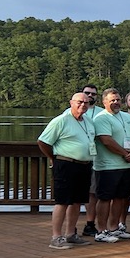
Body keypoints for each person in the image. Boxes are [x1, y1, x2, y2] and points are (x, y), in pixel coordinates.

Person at [38, 92, 96, 249]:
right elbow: (43, 141)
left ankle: (70, 234)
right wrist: (53, 157)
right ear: (71, 103)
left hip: (84, 165)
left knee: (77, 201)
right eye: (79, 102)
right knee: (62, 201)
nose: (83, 105)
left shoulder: (88, 121)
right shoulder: (61, 120)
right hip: (65, 164)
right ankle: (56, 237)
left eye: (86, 102)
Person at [90, 88, 130, 242]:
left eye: (118, 99)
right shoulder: (101, 118)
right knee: (105, 198)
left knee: (120, 197)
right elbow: (106, 140)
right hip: (108, 167)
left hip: (127, 166)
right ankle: (101, 231)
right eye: (112, 100)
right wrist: (125, 154)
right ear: (104, 102)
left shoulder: (127, 117)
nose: (116, 102)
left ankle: (114, 228)